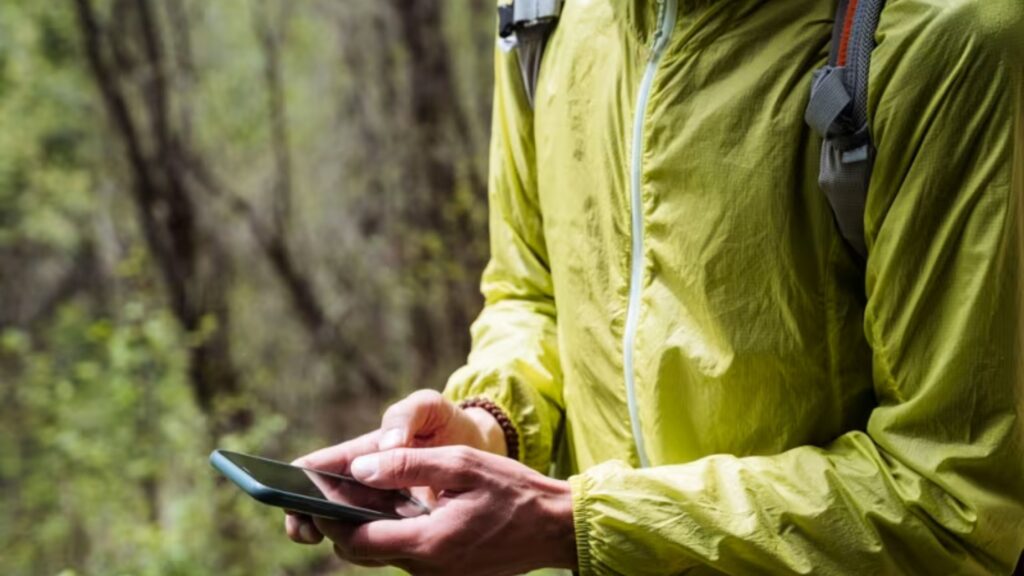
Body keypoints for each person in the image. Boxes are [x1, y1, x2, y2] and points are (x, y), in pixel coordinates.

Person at [285, 0, 1024, 573]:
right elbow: (534, 294)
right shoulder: (546, 17)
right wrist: (489, 424)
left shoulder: (943, 41)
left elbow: (955, 505)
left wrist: (576, 521)